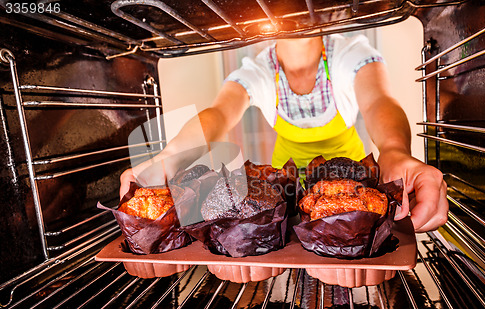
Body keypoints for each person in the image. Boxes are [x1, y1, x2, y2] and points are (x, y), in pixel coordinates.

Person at [120, 34, 448, 233]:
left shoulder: (350, 55)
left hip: (348, 177)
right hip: (287, 183)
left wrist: (394, 152)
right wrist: (170, 157)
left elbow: (379, 102)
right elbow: (218, 115)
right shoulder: (259, 71)